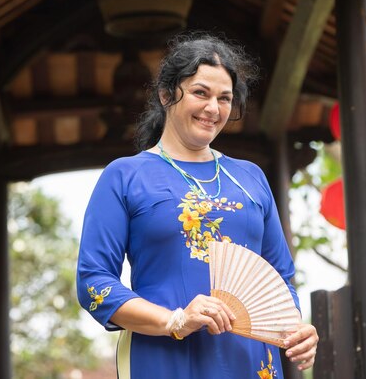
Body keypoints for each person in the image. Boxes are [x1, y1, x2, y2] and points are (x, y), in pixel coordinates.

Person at [77, 33, 318, 379]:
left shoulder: (250, 178)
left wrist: (296, 329)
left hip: (252, 361)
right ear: (165, 95)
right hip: (163, 357)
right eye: (200, 93)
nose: (213, 109)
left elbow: (281, 277)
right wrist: (174, 320)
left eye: (224, 98)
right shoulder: (126, 176)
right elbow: (93, 282)